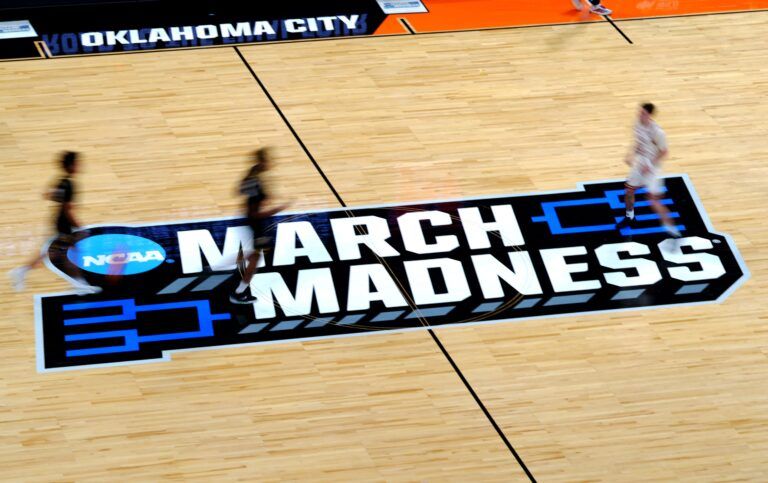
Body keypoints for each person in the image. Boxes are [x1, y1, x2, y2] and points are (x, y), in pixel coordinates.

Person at [9, 151, 101, 294]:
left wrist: (59, 197)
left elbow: (47, 194)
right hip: (63, 223)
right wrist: (79, 226)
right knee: (57, 251)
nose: (79, 166)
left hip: (59, 220)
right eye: (77, 163)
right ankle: (21, 271)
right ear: (71, 165)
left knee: (64, 251)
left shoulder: (62, 181)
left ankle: (79, 283)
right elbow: (68, 210)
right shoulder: (69, 184)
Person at [230, 148, 290, 304]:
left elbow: (238, 191)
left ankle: (224, 269)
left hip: (251, 221)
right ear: (262, 161)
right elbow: (254, 214)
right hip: (255, 223)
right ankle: (238, 293)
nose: (271, 163)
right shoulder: (255, 181)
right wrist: (277, 209)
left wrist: (264, 196)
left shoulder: (254, 172)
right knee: (256, 259)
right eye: (269, 160)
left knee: (254, 255)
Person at [616, 103, 681, 240]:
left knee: (653, 201)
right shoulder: (637, 124)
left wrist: (650, 165)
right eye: (639, 112)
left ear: (650, 116)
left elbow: (664, 152)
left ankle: (672, 230)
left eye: (643, 113)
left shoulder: (658, 132)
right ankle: (630, 217)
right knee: (628, 191)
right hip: (640, 163)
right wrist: (630, 154)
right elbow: (638, 143)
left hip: (653, 167)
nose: (640, 115)